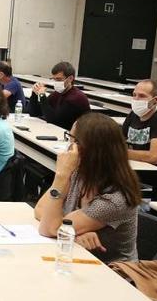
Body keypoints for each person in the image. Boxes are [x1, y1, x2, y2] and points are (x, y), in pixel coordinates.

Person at [34, 112, 141, 263]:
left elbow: (48, 228)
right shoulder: (79, 172)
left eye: (72, 140)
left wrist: (61, 177)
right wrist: (72, 233)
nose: (69, 146)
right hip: (79, 257)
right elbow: (40, 209)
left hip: (113, 273)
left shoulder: (116, 198)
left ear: (89, 148)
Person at [121, 79, 157, 201]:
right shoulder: (133, 116)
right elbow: (118, 143)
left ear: (156, 100)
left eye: (142, 96)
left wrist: (120, 153)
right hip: (136, 183)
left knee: (117, 206)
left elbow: (153, 157)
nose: (136, 100)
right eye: (134, 95)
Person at [27, 61, 90, 130]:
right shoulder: (57, 94)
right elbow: (35, 113)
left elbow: (54, 121)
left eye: (59, 79)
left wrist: (42, 96)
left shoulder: (76, 98)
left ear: (70, 78)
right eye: (54, 79)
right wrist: (34, 94)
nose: (56, 82)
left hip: (74, 136)